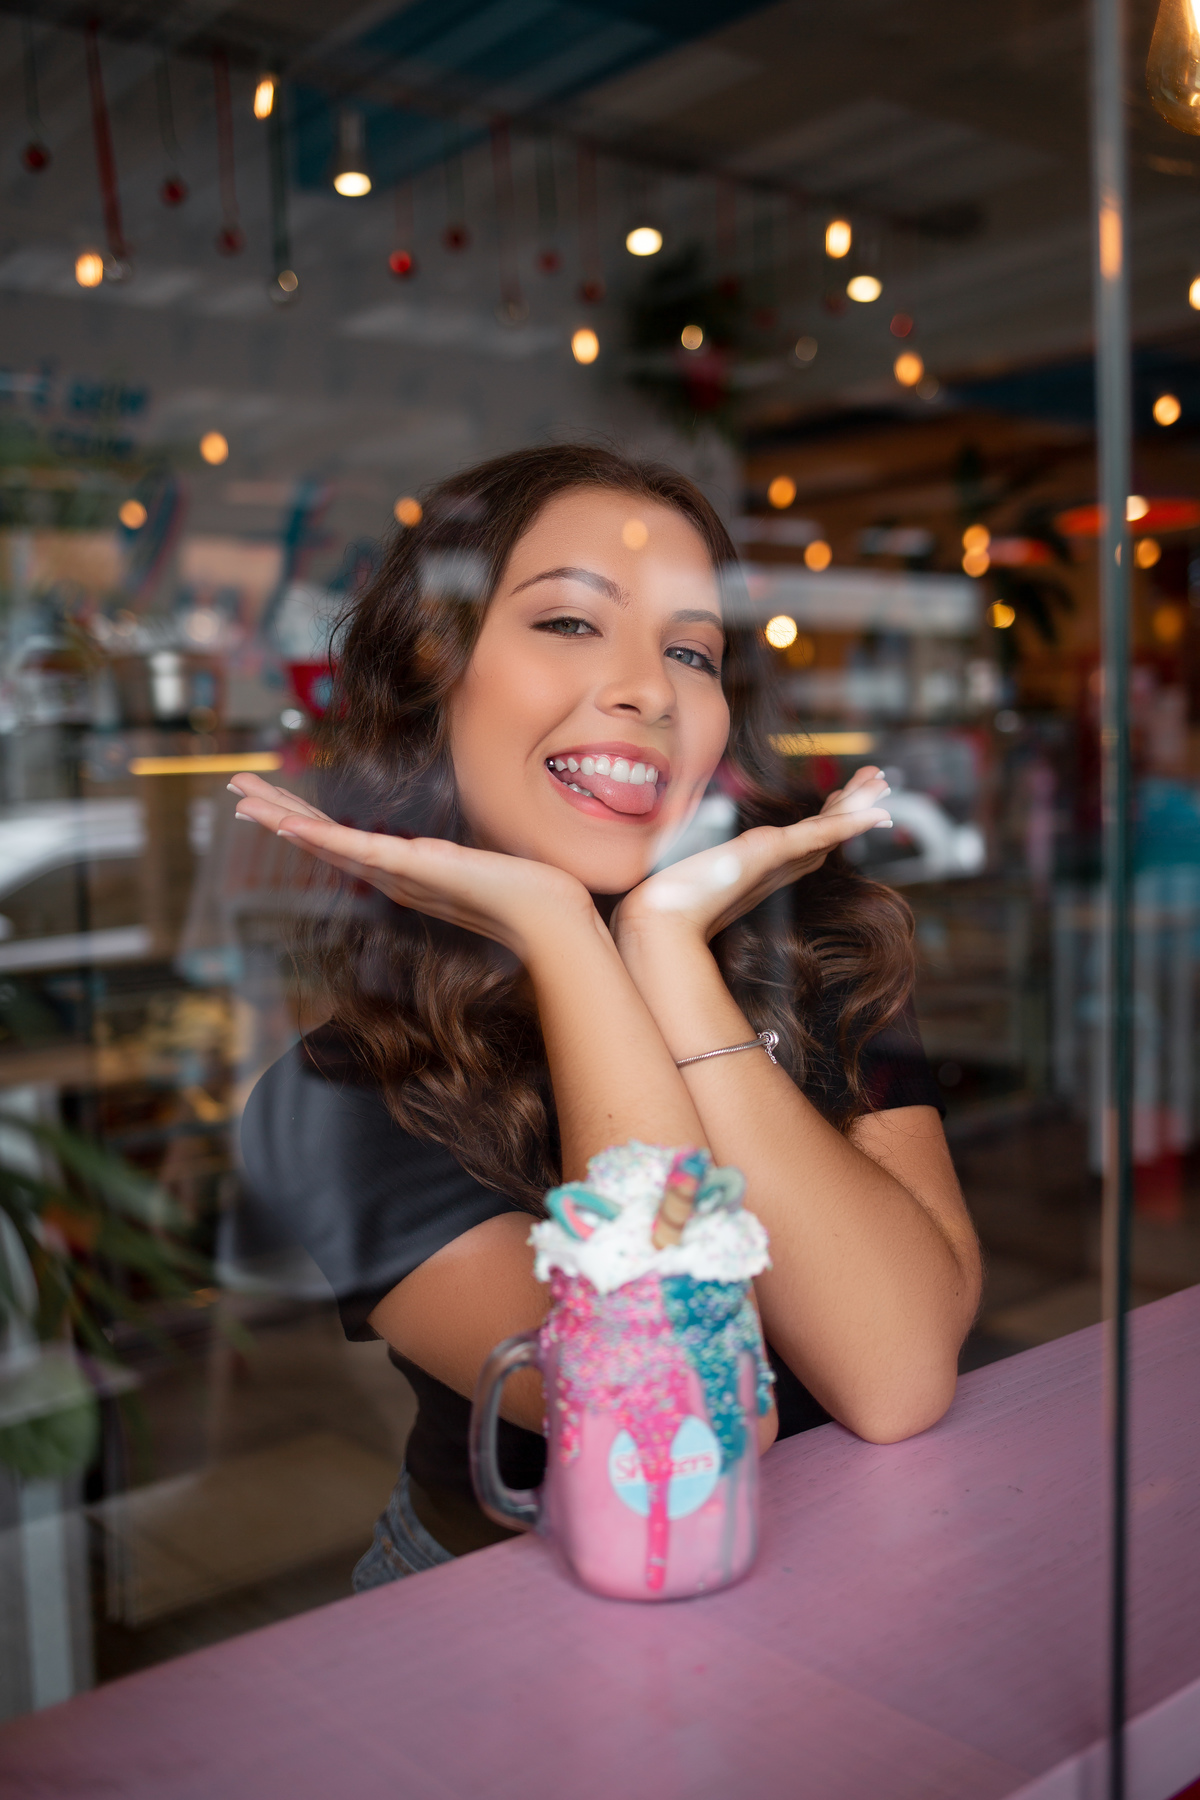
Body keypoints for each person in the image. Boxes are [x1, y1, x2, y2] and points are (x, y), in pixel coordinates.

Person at [236, 444, 981, 1584]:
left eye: (692, 649)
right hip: (507, 1618)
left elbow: (896, 1375)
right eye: (571, 623)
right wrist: (565, 940)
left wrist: (668, 950)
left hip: (876, 1568)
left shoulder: (824, 950)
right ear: (434, 673)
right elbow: (677, 1431)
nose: (649, 688)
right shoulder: (334, 1098)